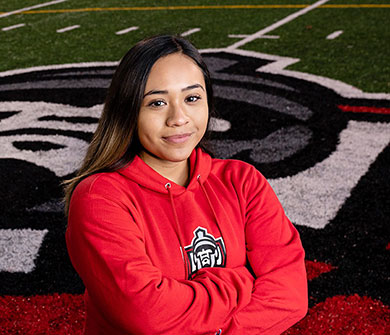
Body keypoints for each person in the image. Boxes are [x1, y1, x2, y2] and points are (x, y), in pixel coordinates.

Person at [64, 35, 308, 335]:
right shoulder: (99, 198)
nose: (178, 118)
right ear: (128, 110)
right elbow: (146, 315)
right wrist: (241, 280)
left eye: (192, 98)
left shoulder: (243, 182)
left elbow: (291, 295)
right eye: (157, 103)